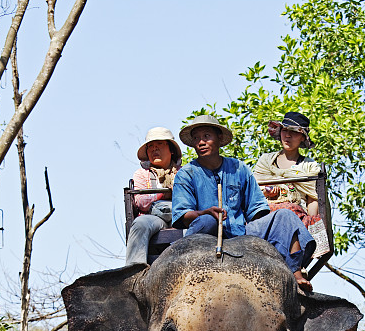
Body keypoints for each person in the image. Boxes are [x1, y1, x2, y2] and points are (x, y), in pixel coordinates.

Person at [171, 115, 316, 290]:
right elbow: (182, 215)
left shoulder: (238, 168)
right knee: (208, 221)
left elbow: (256, 209)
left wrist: (264, 226)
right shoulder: (186, 174)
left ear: (219, 139)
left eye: (206, 136)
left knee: (285, 215)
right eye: (196, 138)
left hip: (241, 232)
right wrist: (205, 213)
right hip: (205, 233)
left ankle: (295, 270)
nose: (200, 142)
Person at [126, 127, 182, 266]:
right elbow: (141, 202)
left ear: (171, 149)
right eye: (150, 146)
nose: (154, 149)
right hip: (155, 217)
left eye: (159, 145)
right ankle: (133, 271)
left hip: (181, 215)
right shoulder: (142, 174)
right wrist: (164, 193)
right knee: (140, 224)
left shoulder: (184, 172)